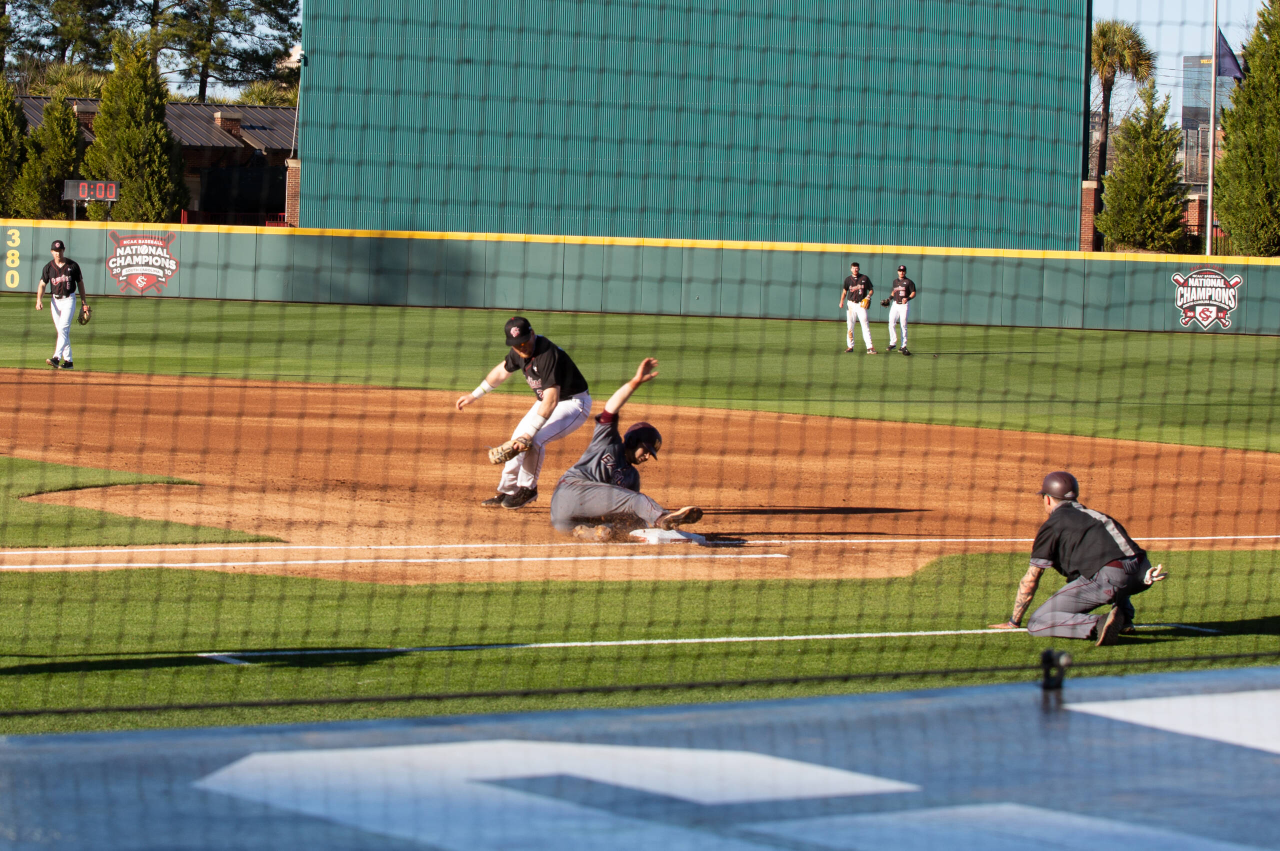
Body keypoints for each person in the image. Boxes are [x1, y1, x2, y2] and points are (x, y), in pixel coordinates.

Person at [989, 472, 1168, 646]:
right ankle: (1126, 620)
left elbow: (1032, 578)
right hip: (1143, 573)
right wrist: (1141, 577)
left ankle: (1098, 623)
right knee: (1109, 570)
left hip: (1111, 579)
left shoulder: (1053, 524)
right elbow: (1125, 553)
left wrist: (1014, 621)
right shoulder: (1098, 517)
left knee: (1038, 622)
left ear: (1048, 498)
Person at [549, 357, 703, 541]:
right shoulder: (608, 443)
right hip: (570, 492)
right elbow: (610, 409)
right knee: (637, 501)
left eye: (650, 454)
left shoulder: (632, 477)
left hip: (565, 520)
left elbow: (624, 514)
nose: (646, 456)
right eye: (645, 450)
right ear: (633, 441)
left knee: (624, 523)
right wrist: (635, 382)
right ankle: (663, 517)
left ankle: (591, 532)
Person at [456, 316, 592, 510]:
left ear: (532, 334)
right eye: (516, 345)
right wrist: (474, 395)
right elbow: (501, 372)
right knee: (516, 441)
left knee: (533, 441)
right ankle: (509, 490)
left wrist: (529, 434)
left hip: (572, 404)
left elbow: (552, 400)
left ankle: (528, 488)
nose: (521, 348)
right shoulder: (517, 352)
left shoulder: (547, 354)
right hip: (545, 402)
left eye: (524, 342)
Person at [34, 240, 89, 369]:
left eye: (60, 251)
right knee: (62, 331)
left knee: (63, 328)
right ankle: (69, 361)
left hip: (69, 299)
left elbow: (80, 284)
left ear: (63, 250)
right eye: (55, 251)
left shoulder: (73, 265)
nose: (58, 253)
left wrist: (84, 302)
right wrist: (39, 300)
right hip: (55, 301)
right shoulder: (48, 267)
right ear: (51, 252)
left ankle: (56, 358)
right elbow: (42, 284)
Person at [839, 261, 877, 354]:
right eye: (853, 268)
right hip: (851, 305)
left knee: (865, 325)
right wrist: (841, 301)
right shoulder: (848, 279)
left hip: (861, 305)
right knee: (850, 326)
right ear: (851, 269)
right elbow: (844, 291)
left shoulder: (864, 278)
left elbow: (871, 290)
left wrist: (868, 296)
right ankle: (850, 346)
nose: (855, 269)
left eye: (856, 268)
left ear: (859, 269)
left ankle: (870, 347)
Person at [885, 265, 916, 356]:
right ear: (898, 271)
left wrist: (908, 298)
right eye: (900, 271)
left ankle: (903, 345)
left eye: (903, 271)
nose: (901, 272)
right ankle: (893, 343)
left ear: (905, 272)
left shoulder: (909, 282)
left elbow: (913, 292)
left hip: (904, 305)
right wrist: (889, 299)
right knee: (891, 323)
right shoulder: (895, 281)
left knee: (903, 325)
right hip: (895, 304)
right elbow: (894, 292)